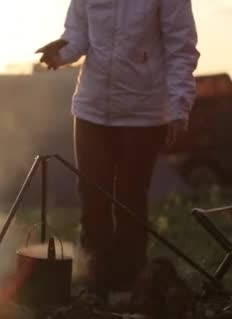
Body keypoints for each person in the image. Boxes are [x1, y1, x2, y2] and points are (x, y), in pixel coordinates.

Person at [38, 0, 199, 298]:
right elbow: (77, 34)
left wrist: (179, 106)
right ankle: (95, 281)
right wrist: (60, 54)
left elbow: (182, 47)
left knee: (130, 199)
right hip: (91, 107)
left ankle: (129, 284)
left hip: (145, 112)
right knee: (91, 196)